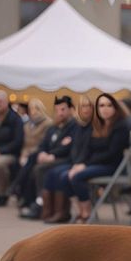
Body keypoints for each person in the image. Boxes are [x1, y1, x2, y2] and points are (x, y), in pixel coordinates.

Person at [62, 93, 130, 222]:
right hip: (96, 164)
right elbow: (88, 149)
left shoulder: (120, 126)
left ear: (116, 107)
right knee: (66, 176)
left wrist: (85, 165)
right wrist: (79, 164)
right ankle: (80, 209)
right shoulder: (98, 125)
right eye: (101, 105)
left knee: (76, 177)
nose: (105, 108)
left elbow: (112, 153)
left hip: (111, 166)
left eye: (109, 105)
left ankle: (87, 212)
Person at [20, 95, 78, 219]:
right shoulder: (53, 127)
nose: (60, 113)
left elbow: (69, 147)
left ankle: (40, 204)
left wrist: (52, 155)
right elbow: (43, 144)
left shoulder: (74, 126)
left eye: (63, 109)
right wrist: (42, 153)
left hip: (66, 160)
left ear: (71, 109)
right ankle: (35, 202)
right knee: (33, 162)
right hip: (51, 158)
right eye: (57, 110)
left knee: (39, 169)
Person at [42, 95, 94, 223]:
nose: (85, 109)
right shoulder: (79, 126)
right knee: (51, 173)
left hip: (83, 162)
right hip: (75, 161)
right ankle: (52, 210)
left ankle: (65, 211)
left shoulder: (84, 126)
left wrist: (80, 163)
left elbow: (87, 149)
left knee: (61, 174)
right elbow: (75, 148)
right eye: (82, 106)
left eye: (87, 106)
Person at [10, 98, 53, 206]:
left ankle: (18, 188)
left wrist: (28, 154)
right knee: (16, 164)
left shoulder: (48, 123)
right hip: (27, 154)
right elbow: (24, 144)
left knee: (31, 170)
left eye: (36, 108)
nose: (33, 111)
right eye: (31, 109)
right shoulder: (27, 125)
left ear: (41, 109)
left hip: (39, 154)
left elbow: (44, 144)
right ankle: (21, 194)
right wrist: (23, 155)